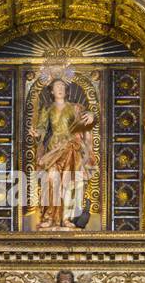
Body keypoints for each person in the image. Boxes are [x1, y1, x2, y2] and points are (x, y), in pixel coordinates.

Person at [31, 78, 96, 229]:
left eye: (62, 86)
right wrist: (37, 133)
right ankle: (49, 217)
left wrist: (91, 116)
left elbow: (88, 119)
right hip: (53, 150)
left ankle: (67, 218)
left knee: (69, 183)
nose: (60, 88)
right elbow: (42, 128)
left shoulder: (75, 108)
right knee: (51, 180)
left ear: (66, 91)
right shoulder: (47, 109)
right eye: (56, 86)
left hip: (71, 149)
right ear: (52, 91)